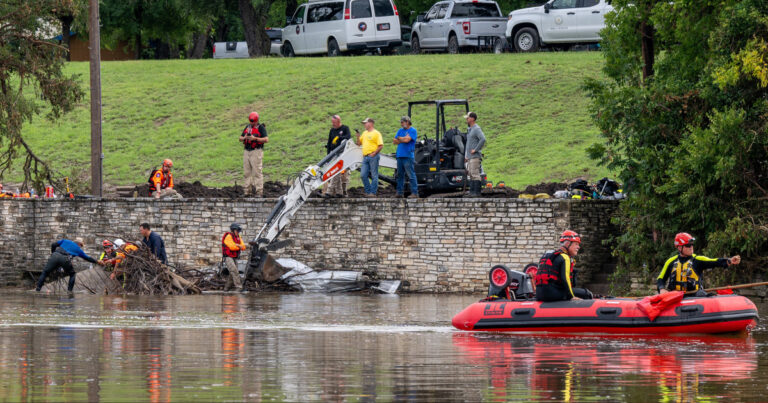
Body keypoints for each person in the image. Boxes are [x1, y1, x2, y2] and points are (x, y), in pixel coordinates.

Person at [657, 232, 741, 294]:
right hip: (675, 297)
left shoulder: (697, 260)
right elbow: (661, 278)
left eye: (692, 244)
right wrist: (661, 289)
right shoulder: (670, 261)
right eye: (688, 245)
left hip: (694, 296)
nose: (691, 247)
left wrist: (729, 260)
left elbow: (714, 261)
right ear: (679, 248)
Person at [534, 230, 593, 301]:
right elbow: (565, 279)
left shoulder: (548, 255)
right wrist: (571, 296)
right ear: (568, 243)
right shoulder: (565, 257)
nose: (578, 247)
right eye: (576, 244)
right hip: (552, 294)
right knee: (586, 293)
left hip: (539, 294)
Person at [36, 237, 104, 292]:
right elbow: (88, 258)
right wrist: (97, 261)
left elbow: (53, 245)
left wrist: (53, 253)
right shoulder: (79, 250)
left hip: (55, 255)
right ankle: (69, 291)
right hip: (65, 259)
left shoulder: (65, 241)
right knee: (72, 274)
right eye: (81, 245)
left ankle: (38, 289)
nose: (81, 247)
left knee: (45, 272)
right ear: (79, 244)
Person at [240, 111, 268, 197]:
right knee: (247, 172)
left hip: (256, 151)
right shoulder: (247, 127)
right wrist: (244, 137)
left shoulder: (261, 128)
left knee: (257, 172)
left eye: (253, 122)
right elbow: (240, 138)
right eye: (250, 121)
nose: (251, 123)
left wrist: (255, 138)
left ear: (257, 121)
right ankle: (247, 192)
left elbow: (266, 139)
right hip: (246, 151)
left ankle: (259, 192)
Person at [324, 115, 351, 198]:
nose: (333, 124)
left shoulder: (345, 128)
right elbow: (329, 143)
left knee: (335, 171)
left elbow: (348, 137)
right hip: (334, 154)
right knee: (336, 172)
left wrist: (339, 137)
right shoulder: (332, 130)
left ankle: (329, 191)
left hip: (342, 154)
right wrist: (328, 156)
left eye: (334, 122)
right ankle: (339, 192)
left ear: (339, 121)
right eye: (332, 122)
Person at [356, 118, 383, 197]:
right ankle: (368, 192)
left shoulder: (376, 133)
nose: (364, 125)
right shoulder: (364, 133)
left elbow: (381, 145)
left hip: (373, 156)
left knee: (374, 175)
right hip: (365, 157)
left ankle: (372, 192)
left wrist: (374, 153)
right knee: (363, 175)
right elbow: (359, 144)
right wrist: (358, 137)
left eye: (365, 123)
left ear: (371, 123)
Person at [393, 116, 419, 198]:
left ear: (407, 122)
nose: (401, 124)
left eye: (402, 122)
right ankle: (399, 192)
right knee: (400, 175)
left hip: (408, 156)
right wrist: (403, 138)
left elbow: (407, 140)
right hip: (399, 155)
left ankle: (415, 193)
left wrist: (400, 138)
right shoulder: (400, 130)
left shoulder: (413, 130)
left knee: (411, 175)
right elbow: (394, 141)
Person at [464, 111, 486, 197]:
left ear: (472, 119)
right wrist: (466, 155)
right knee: (471, 174)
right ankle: (472, 192)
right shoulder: (470, 129)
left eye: (468, 117)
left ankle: (476, 193)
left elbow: (483, 139)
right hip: (470, 157)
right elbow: (468, 144)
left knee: (475, 174)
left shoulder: (476, 129)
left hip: (475, 156)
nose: (467, 119)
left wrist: (476, 149)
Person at [221, 223, 247, 291]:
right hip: (228, 257)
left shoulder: (238, 236)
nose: (238, 232)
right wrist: (239, 246)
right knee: (234, 271)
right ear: (233, 230)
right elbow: (232, 247)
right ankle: (239, 287)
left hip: (234, 257)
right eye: (237, 230)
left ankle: (226, 288)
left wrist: (237, 245)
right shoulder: (228, 237)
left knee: (232, 273)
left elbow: (244, 247)